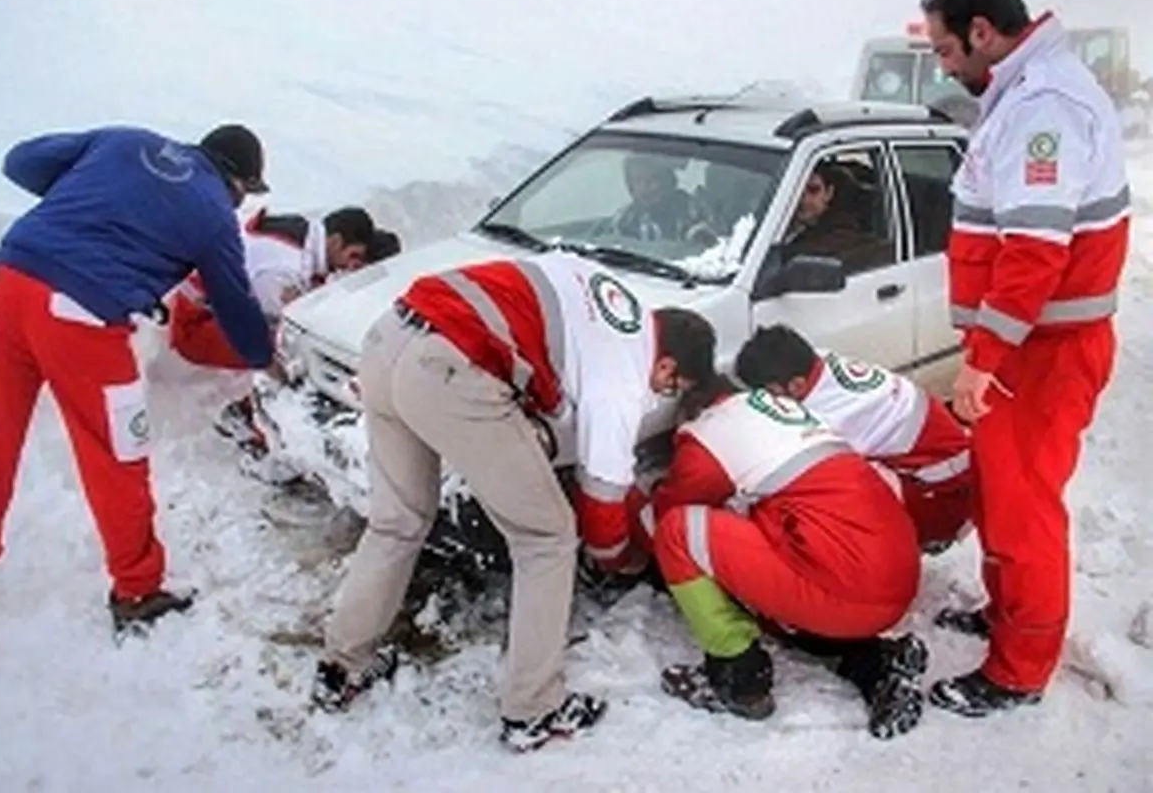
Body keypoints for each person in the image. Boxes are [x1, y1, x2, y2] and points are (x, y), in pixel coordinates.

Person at [309, 249, 715, 753]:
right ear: (668, 364)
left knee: (398, 522)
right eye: (671, 387)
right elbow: (602, 496)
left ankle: (342, 666)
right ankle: (533, 709)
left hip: (389, 338)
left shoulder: (607, 297)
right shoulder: (625, 375)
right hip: (450, 366)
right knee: (548, 537)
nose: (662, 394)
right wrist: (617, 559)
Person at [0, 123, 276, 633]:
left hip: (7, 285)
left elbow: (20, 162)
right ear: (237, 181)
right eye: (245, 194)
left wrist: (97, 201)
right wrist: (268, 354)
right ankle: (137, 590)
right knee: (117, 454)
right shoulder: (214, 214)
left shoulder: (126, 141)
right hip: (80, 315)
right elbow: (234, 307)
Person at [920, 0, 1130, 716]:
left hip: (1044, 352)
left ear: (982, 32)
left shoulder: (1045, 107)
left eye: (946, 51)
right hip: (1028, 346)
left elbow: (1034, 253)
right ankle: (1007, 614)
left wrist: (984, 360)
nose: (945, 68)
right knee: (998, 494)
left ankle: (1020, 669)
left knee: (1023, 509)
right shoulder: (1026, 93)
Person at [628, 370, 929, 740]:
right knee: (766, 590)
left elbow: (666, 518)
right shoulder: (793, 419)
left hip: (847, 589)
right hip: (893, 576)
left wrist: (630, 509)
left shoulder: (709, 433)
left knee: (680, 531)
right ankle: (877, 665)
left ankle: (739, 679)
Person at [168, 205, 402, 446]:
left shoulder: (306, 239)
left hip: (211, 306)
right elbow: (266, 329)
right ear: (335, 241)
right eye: (352, 256)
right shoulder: (285, 269)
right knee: (290, 353)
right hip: (196, 324)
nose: (349, 266)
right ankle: (250, 422)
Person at [734, 324, 976, 554]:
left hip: (945, 495)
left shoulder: (834, 416)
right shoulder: (819, 362)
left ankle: (912, 541)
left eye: (770, 393)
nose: (766, 400)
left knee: (826, 498)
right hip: (949, 463)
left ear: (796, 385)